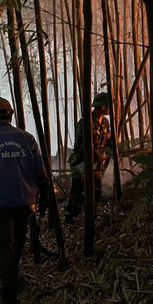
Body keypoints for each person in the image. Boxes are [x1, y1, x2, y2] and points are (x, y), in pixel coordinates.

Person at [0, 97, 52, 304]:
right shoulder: (27, 138)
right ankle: (15, 278)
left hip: (0, 205)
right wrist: (44, 196)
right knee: (18, 244)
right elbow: (40, 171)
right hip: (24, 203)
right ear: (11, 116)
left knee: (3, 250)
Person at [64, 92, 112, 224]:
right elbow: (83, 146)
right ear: (103, 106)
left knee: (96, 189)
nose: (110, 108)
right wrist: (96, 155)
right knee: (78, 190)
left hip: (96, 164)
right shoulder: (85, 123)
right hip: (82, 163)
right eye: (109, 105)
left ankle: (91, 215)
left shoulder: (105, 123)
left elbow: (107, 140)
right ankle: (70, 217)